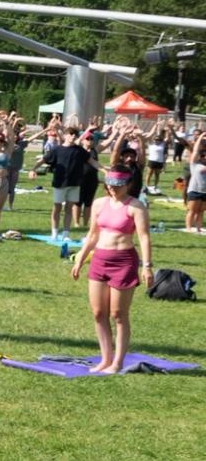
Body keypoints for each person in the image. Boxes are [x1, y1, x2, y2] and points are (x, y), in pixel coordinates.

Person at [68, 156, 155, 374]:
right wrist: (80, 258)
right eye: (110, 185)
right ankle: (105, 359)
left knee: (118, 314)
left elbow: (144, 237)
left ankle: (117, 362)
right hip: (99, 260)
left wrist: (146, 266)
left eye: (119, 186)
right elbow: (92, 235)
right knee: (98, 312)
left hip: (124, 261)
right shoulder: (99, 204)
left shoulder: (136, 207)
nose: (114, 189)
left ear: (128, 184)